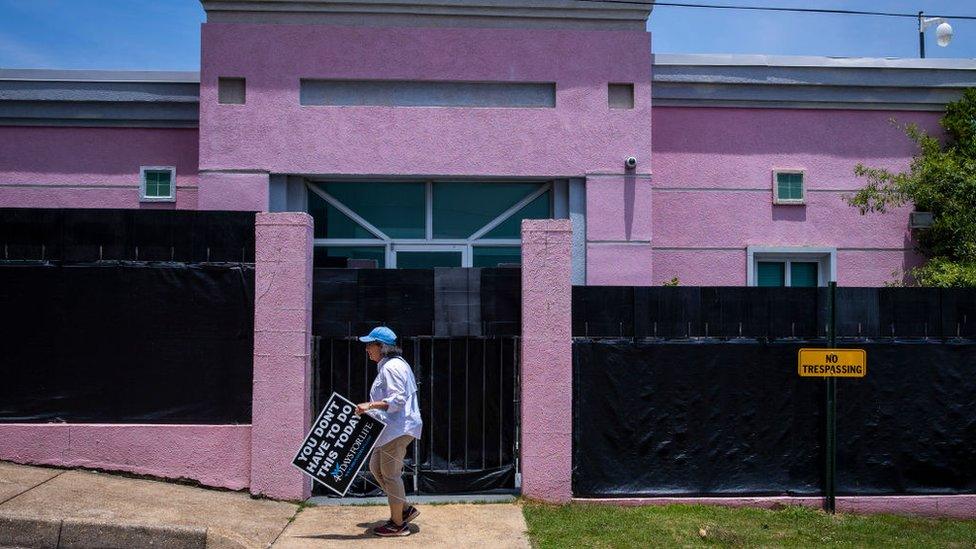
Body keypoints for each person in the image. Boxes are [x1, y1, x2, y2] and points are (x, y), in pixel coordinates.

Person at [355, 326, 423, 537]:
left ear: (382, 347)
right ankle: (404, 509)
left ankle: (398, 525)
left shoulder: (392, 367)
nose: (367, 349)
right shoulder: (390, 365)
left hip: (398, 428)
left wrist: (370, 405)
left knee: (390, 475)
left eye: (370, 345)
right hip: (391, 429)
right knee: (376, 468)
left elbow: (398, 400)